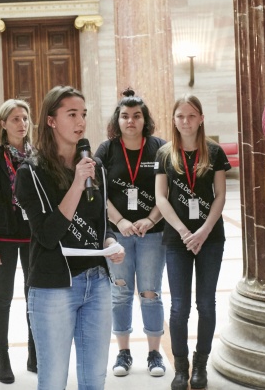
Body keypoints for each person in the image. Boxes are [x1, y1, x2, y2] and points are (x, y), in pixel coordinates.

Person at [14, 85, 125, 390]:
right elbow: (47, 235)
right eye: (72, 114)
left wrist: (110, 243)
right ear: (51, 120)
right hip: (53, 287)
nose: (81, 122)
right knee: (53, 380)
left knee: (94, 379)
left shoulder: (95, 167)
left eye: (84, 114)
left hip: (97, 283)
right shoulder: (31, 173)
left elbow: (102, 224)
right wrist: (77, 183)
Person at [154, 95, 230, 390]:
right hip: (177, 239)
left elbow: (220, 195)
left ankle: (200, 364)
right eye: (180, 116)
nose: (185, 121)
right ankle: (180, 366)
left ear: (201, 119)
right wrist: (185, 232)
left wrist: (203, 232)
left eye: (191, 115)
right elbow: (161, 197)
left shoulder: (214, 152)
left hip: (210, 238)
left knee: (206, 304)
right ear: (174, 121)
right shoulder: (165, 153)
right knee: (179, 307)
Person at [94, 89, 167, 378]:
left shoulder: (160, 148)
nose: (130, 121)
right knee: (121, 293)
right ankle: (123, 352)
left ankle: (154, 353)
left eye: (137, 116)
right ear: (118, 120)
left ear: (145, 119)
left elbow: (167, 193)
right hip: (118, 233)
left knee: (150, 292)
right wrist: (120, 220)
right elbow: (97, 192)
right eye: (125, 116)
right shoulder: (106, 150)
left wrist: (150, 218)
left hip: (153, 234)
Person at [0, 99, 36, 384]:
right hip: (3, 238)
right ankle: (4, 358)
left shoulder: (38, 156)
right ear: (3, 124)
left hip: (33, 237)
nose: (21, 123)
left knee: (34, 297)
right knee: (3, 299)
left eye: (24, 118)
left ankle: (34, 354)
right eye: (15, 119)